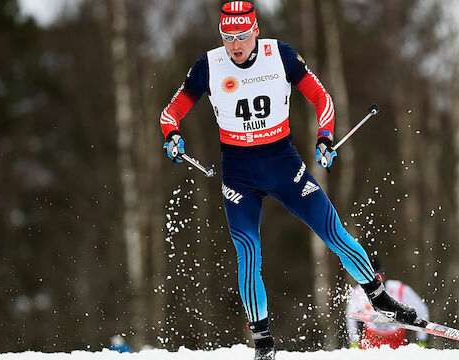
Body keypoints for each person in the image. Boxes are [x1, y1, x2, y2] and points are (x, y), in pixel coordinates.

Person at [160, 2, 417, 359]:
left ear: (255, 31)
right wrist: (171, 134)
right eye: (227, 37)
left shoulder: (279, 54)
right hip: (238, 172)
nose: (235, 45)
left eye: (241, 36)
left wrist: (325, 138)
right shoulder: (209, 65)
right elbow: (171, 111)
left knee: (333, 231)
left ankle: (381, 300)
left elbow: (321, 98)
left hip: (283, 163)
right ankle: (263, 340)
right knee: (248, 253)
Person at [345, 257, 429, 349]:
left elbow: (422, 310)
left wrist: (421, 340)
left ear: (383, 275)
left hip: (396, 340)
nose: (375, 281)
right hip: (371, 339)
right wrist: (353, 341)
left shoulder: (399, 289)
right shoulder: (359, 292)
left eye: (378, 277)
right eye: (370, 278)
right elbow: (350, 315)